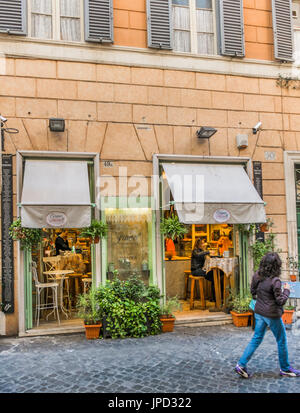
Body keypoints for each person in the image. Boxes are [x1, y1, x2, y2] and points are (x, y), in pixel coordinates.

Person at [235, 252, 300, 378]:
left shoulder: (257, 276)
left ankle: (241, 364)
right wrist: (286, 290)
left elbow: (253, 292)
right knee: (281, 340)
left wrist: (263, 298)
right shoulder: (275, 281)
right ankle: (285, 368)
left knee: (256, 338)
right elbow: (281, 301)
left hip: (259, 312)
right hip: (271, 315)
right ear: (276, 266)